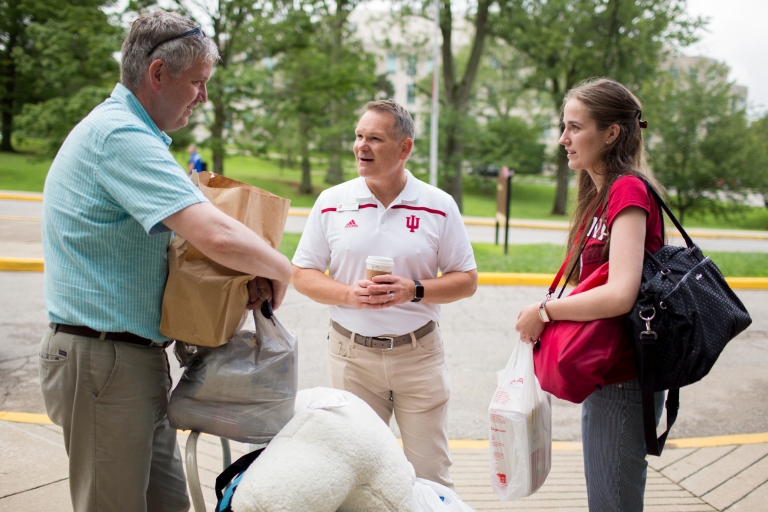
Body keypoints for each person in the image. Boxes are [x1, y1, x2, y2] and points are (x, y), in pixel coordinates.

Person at [38, 11, 292, 512]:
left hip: (128, 360)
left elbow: (184, 248)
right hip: (104, 360)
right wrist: (286, 269)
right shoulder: (120, 137)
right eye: (197, 83)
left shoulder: (136, 136)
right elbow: (213, 232)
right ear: (158, 74)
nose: (203, 97)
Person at [291, 100, 478, 487]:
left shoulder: (439, 206)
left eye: (374, 139)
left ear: (404, 148)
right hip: (351, 357)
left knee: (429, 474)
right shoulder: (331, 203)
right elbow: (302, 274)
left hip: (419, 355)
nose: (362, 146)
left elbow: (467, 279)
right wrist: (347, 294)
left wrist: (415, 290)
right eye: (359, 136)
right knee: (357, 474)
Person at [515, 77, 665, 511]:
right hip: (605, 372)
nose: (564, 139)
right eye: (565, 126)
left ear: (612, 133)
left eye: (575, 127)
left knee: (612, 502)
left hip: (624, 376)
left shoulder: (628, 190)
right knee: (605, 497)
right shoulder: (599, 194)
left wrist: (544, 311)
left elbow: (620, 294)